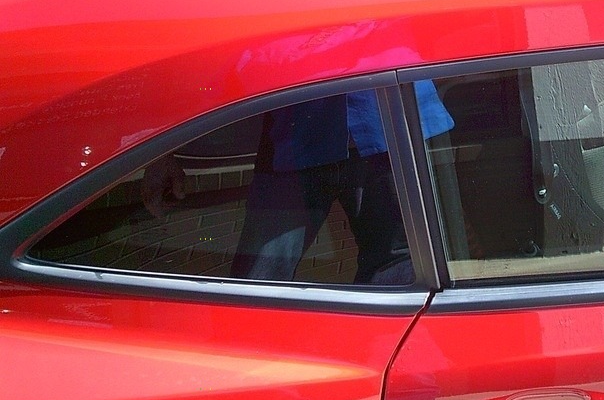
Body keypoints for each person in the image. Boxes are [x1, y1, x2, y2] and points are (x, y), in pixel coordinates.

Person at [144, 83, 453, 284]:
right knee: (257, 286)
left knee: (397, 279)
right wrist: (160, 150)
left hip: (388, 121)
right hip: (296, 133)